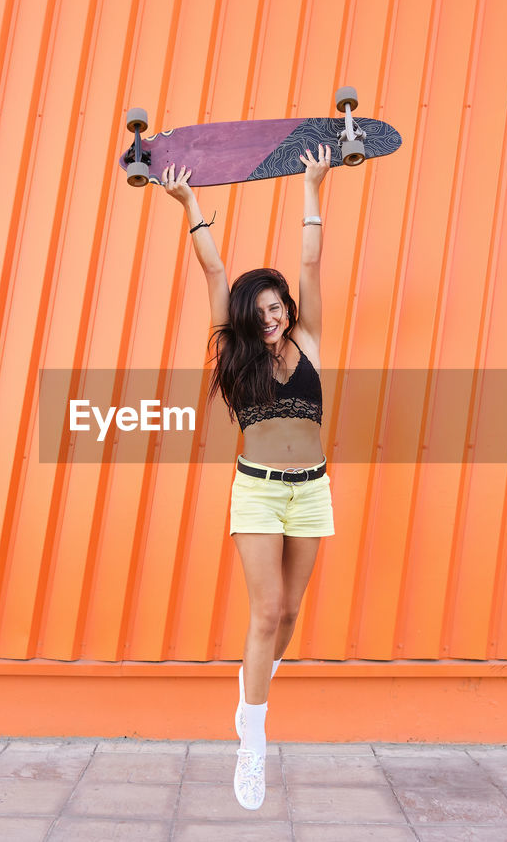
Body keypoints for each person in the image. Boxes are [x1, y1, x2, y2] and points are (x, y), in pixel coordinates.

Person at [161, 145, 335, 811]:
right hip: (258, 487)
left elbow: (313, 260)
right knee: (264, 611)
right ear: (244, 317)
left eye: (277, 305)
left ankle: (251, 688)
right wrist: (190, 205)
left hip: (312, 488)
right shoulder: (236, 353)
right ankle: (253, 741)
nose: (273, 315)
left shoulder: (311, 339)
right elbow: (214, 269)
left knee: (289, 613)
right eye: (260, 310)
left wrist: (313, 187)